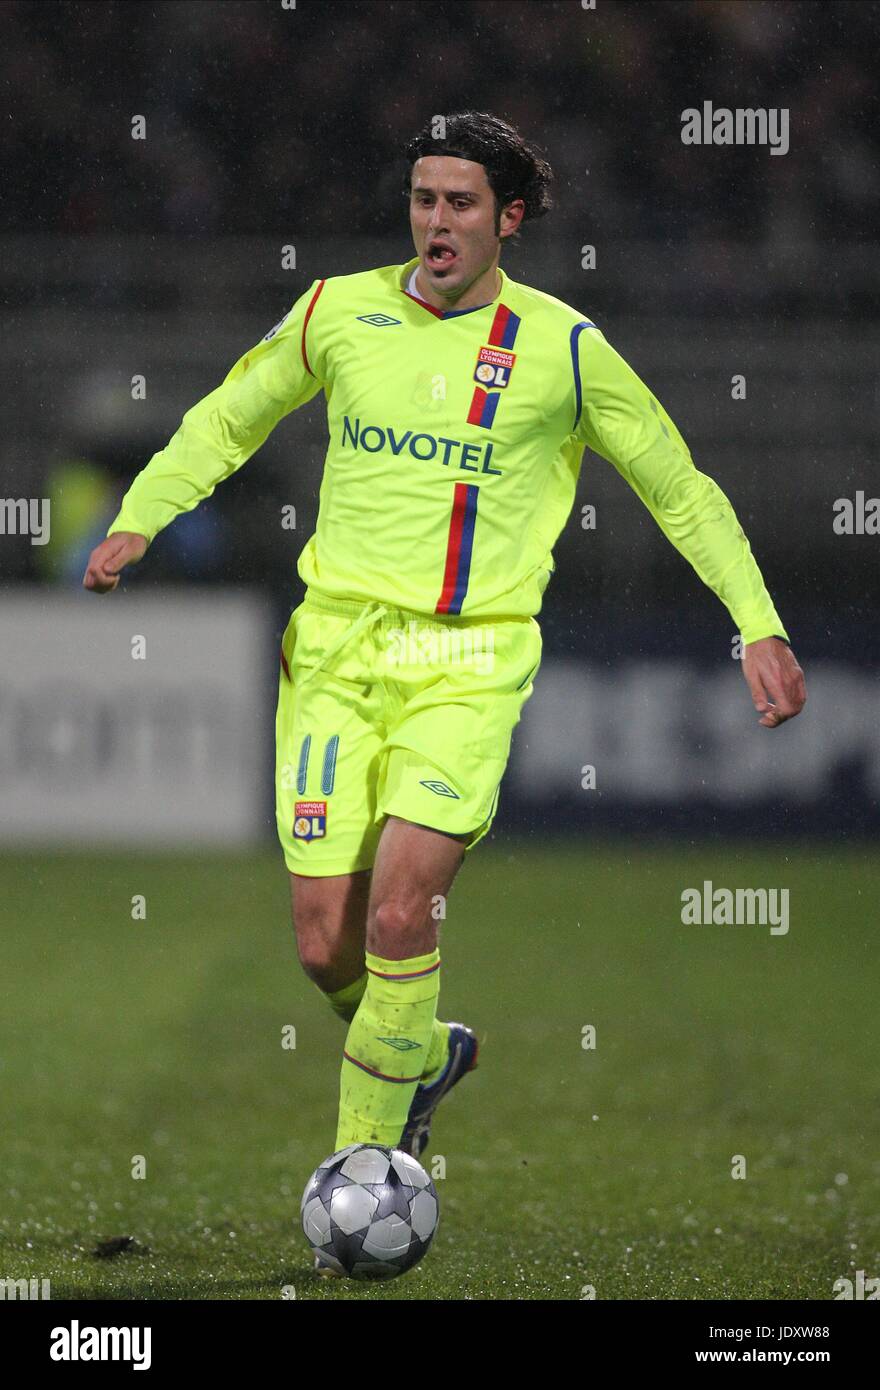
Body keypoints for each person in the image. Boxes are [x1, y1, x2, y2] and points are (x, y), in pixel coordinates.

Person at [83, 110, 806, 1201]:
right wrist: (142, 515)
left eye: (461, 203)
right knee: (325, 945)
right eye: (423, 198)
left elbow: (677, 486)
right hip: (331, 653)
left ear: (508, 219)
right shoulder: (338, 310)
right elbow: (230, 415)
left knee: (396, 915)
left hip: (469, 662)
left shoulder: (564, 348)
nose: (435, 221)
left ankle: (362, 1178)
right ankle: (426, 1056)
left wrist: (756, 621)